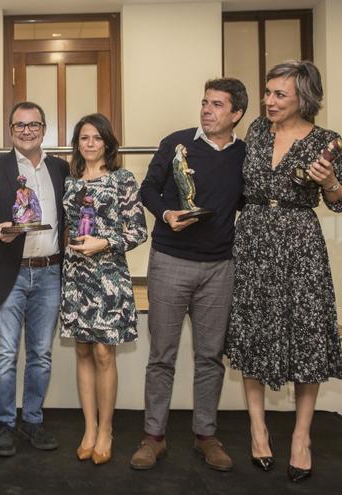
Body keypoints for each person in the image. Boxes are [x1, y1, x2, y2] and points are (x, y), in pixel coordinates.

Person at [224, 60, 342, 483]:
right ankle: (258, 428)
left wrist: (330, 180)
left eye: (280, 94)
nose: (268, 100)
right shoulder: (258, 130)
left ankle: (301, 437)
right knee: (253, 329)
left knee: (307, 333)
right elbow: (237, 186)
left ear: (304, 98)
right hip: (253, 237)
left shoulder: (326, 142)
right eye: (268, 92)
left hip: (300, 242)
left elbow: (339, 201)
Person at [134, 78, 248, 472]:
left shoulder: (244, 155)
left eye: (217, 105)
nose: (207, 110)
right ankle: (153, 438)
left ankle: (206, 436)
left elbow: (249, 204)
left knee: (209, 357)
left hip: (220, 267)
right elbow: (148, 188)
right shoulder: (176, 143)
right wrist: (166, 214)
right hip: (170, 261)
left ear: (236, 114)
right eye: (205, 102)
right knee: (161, 356)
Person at [0, 101, 69, 457]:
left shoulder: (60, 169)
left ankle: (32, 419)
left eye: (33, 125)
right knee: (5, 354)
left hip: (50, 272)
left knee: (41, 354)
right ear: (10, 130)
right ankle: (4, 424)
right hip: (9, 273)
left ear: (44, 129)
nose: (27, 131)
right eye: (19, 126)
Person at [61, 113, 147, 466]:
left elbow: (138, 231)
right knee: (82, 352)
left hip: (109, 277)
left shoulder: (123, 179)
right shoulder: (69, 182)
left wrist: (104, 243)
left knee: (103, 354)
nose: (90, 143)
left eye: (97, 137)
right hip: (75, 277)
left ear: (108, 143)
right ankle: (90, 427)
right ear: (77, 144)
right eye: (84, 138)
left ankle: (107, 429)